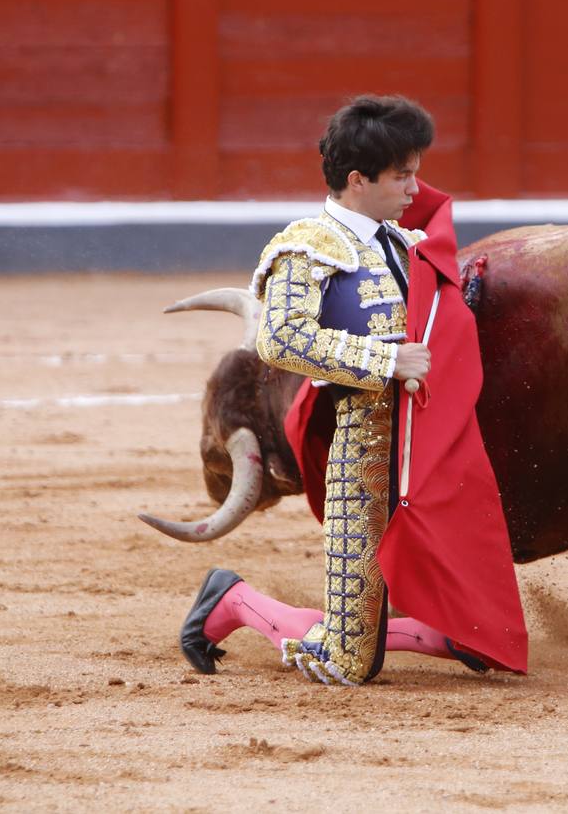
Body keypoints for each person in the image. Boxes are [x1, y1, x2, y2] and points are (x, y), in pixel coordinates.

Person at [179, 95, 527, 686]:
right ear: (358, 180)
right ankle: (233, 601)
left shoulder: (401, 241)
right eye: (403, 175)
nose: (417, 187)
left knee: (476, 627)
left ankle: (441, 631)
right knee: (348, 660)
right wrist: (386, 360)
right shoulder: (307, 245)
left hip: (426, 455)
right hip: (362, 457)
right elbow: (281, 339)